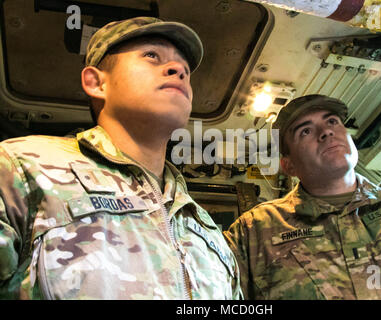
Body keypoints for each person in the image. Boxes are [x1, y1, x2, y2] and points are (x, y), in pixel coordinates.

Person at [0, 17, 241, 300]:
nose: (179, 71)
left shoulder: (206, 227)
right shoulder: (21, 165)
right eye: (152, 56)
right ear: (96, 82)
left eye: (185, 70)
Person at [224, 78, 381, 300]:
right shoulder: (255, 231)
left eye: (332, 122)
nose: (326, 132)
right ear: (288, 165)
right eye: (305, 131)